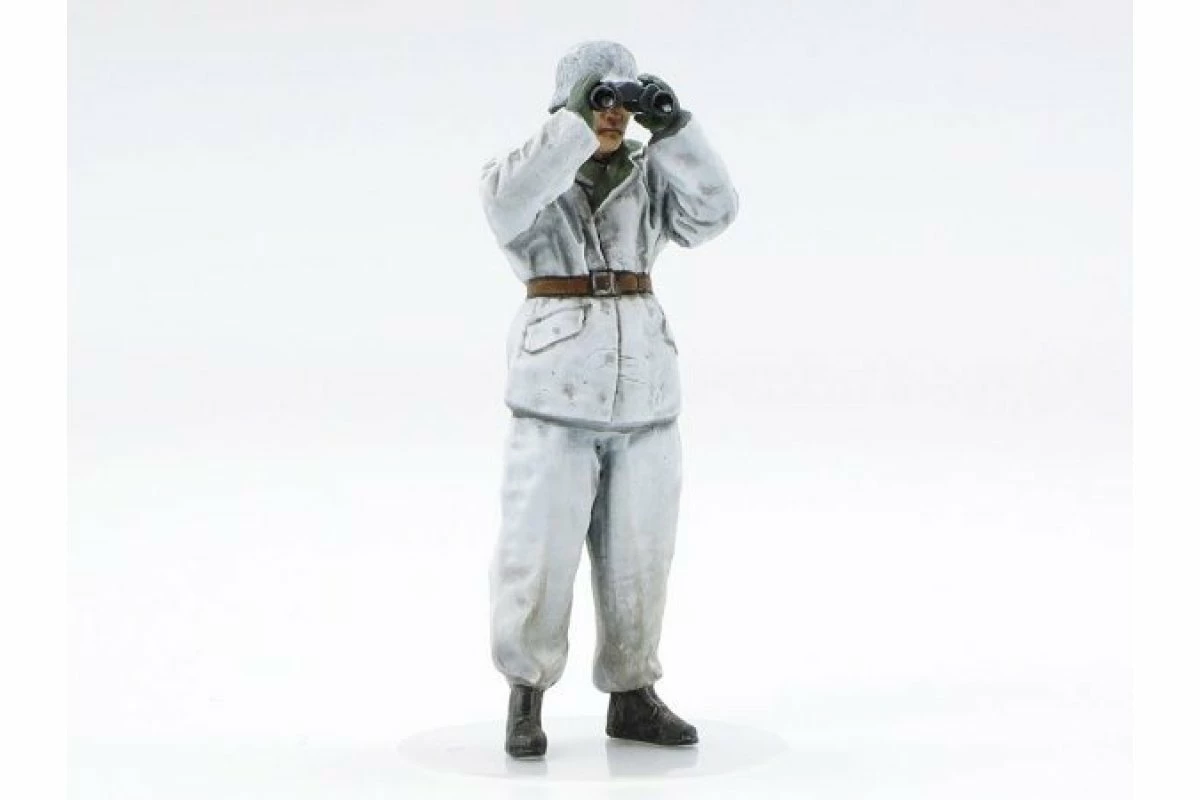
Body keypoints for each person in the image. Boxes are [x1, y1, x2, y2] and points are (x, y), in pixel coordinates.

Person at [479, 40, 738, 758]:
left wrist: (675, 128)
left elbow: (715, 213)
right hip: (554, 397)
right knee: (538, 550)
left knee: (642, 552)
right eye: (601, 99)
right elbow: (506, 205)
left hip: (644, 396)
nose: (614, 114)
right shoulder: (524, 173)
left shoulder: (651, 175)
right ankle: (526, 693)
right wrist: (572, 124)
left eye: (624, 102)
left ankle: (633, 694)